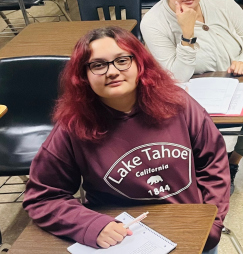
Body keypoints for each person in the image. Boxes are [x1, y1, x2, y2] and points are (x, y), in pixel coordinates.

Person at [23, 26, 229, 254]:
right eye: (98, 65)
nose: (112, 71)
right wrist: (91, 225)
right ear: (83, 76)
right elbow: (43, 198)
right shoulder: (73, 126)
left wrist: (212, 220)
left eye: (122, 60)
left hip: (190, 229)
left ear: (140, 64)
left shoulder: (179, 104)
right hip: (121, 240)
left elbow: (213, 165)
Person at [140, 0, 243, 194]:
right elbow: (176, 76)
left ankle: (232, 163)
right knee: (203, 134)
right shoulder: (153, 22)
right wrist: (187, 35)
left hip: (237, 80)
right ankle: (210, 169)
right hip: (190, 88)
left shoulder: (223, 2)